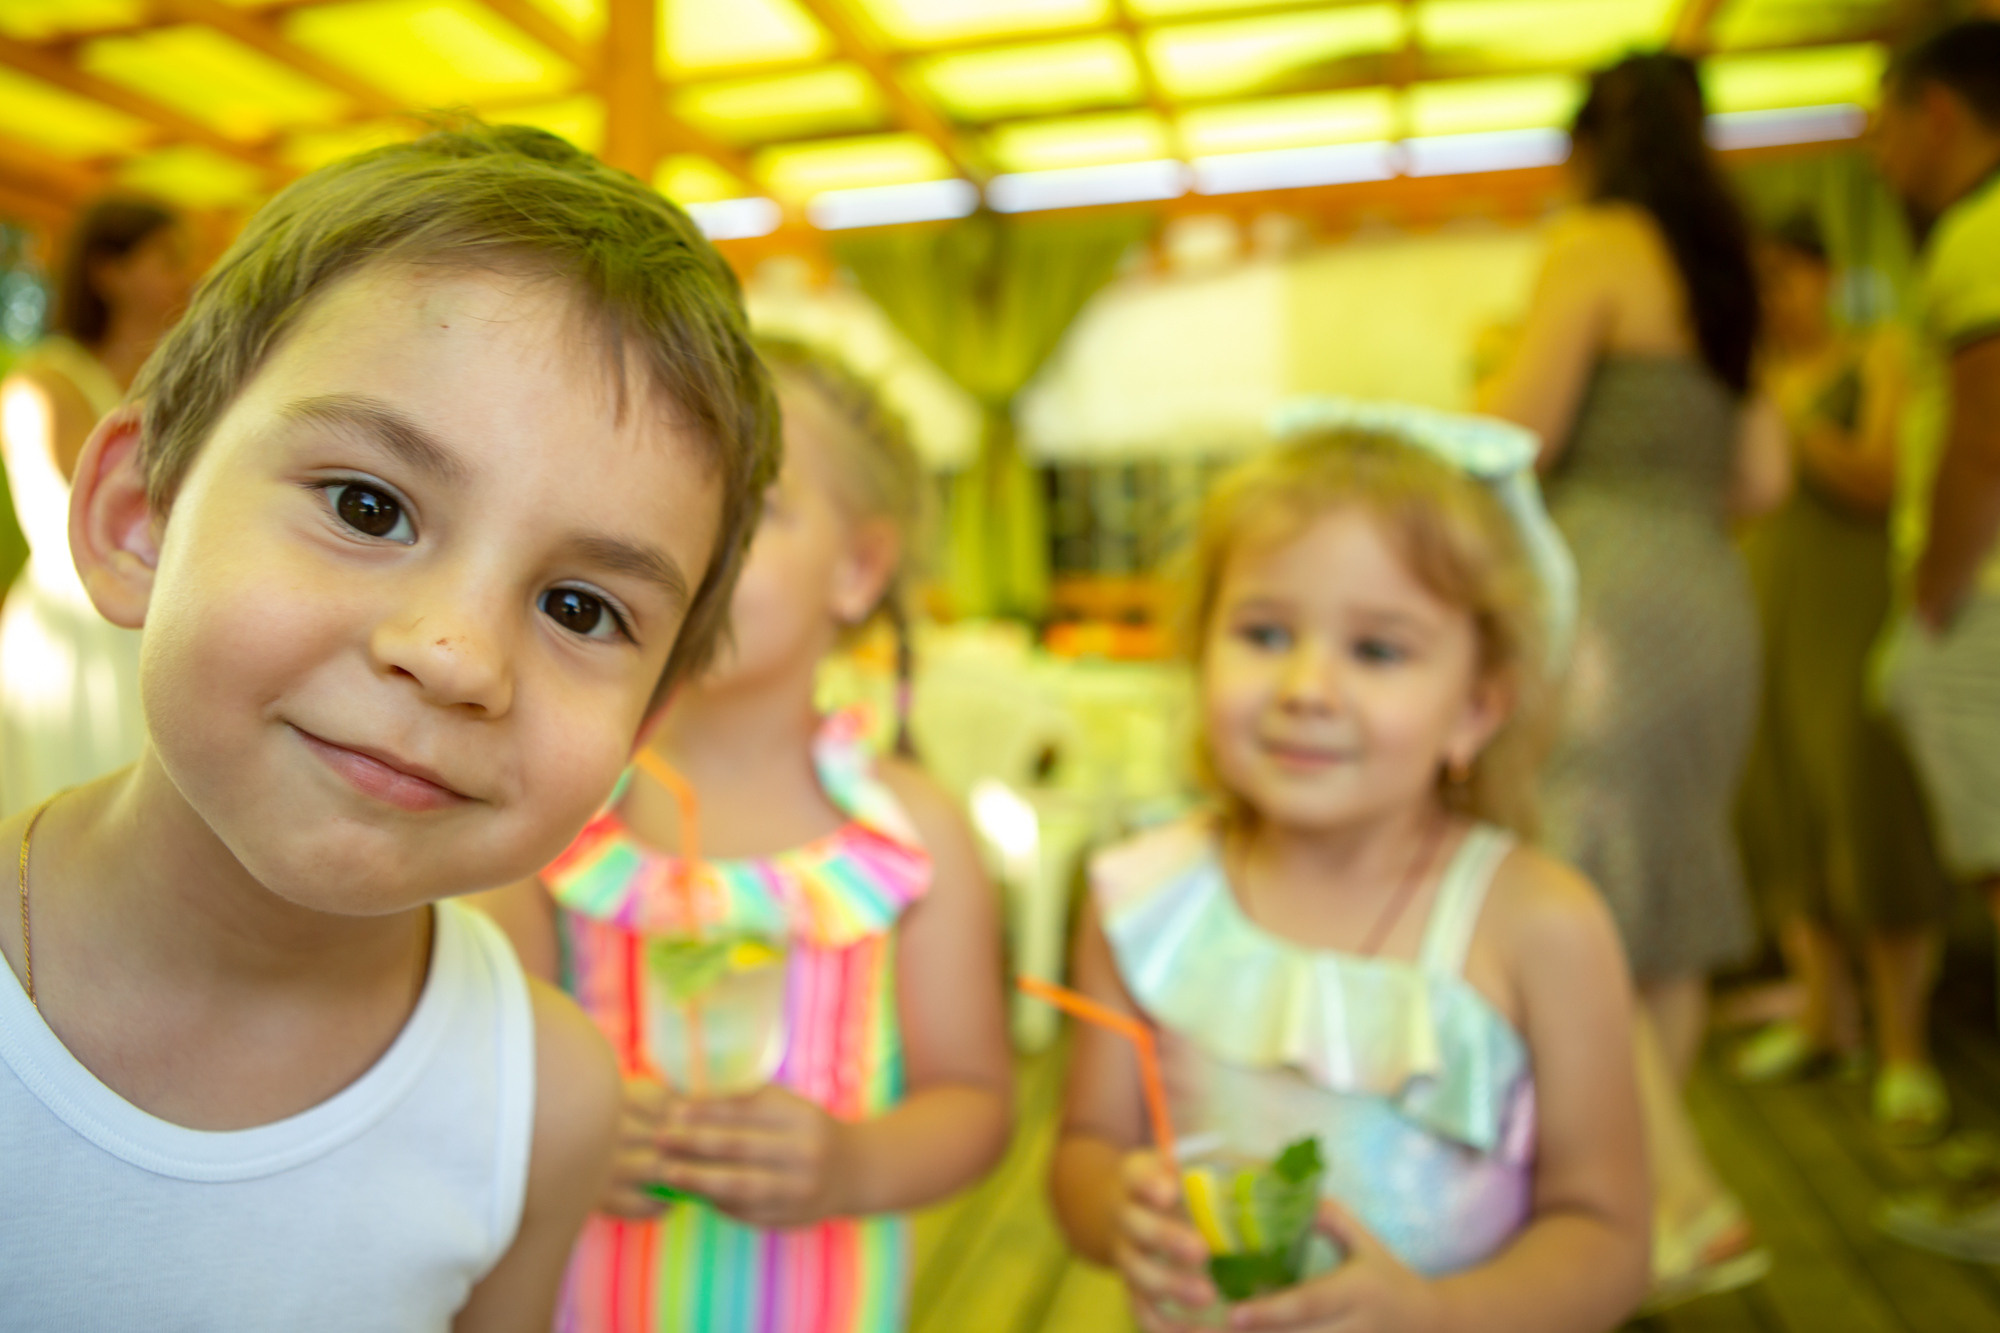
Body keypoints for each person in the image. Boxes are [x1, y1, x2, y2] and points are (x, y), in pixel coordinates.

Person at [0, 122, 781, 1329]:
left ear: (648, 720)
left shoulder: (549, 1102)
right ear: (135, 517)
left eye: (580, 607)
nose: (456, 655)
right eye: (368, 507)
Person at [1049, 410, 1649, 1333]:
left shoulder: (1540, 924)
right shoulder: (1145, 902)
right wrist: (1115, 1210)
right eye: (1263, 633)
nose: (1307, 689)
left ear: (1477, 707)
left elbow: (1607, 1238)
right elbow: (1089, 1149)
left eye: (1376, 649)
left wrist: (1435, 1312)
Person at [474, 339, 1013, 1332]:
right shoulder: (554, 799)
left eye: (752, 510)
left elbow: (974, 1100)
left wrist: (851, 1163)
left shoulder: (907, 831)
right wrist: (561, 1123)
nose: (700, 543)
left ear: (857, 569)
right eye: (670, 496)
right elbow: (473, 1054)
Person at [1476, 50, 1789, 1305]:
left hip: (1602, 591)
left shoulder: (1594, 243)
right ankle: (1645, 1209)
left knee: (1576, 889)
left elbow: (1515, 432)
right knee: (1656, 910)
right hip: (1711, 597)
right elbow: (1758, 481)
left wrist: (1483, 369)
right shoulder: (1726, 280)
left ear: (1589, 147)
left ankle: (1687, 1198)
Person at [1732, 216, 1952, 1145]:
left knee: (1867, 809)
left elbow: (1881, 477)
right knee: (1780, 813)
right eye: (1759, 282)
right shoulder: (1739, 379)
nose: (1776, 298)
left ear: (1824, 275)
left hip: (1849, 607)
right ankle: (1827, 1018)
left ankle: (1906, 1048)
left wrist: (1786, 412)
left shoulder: (1882, 353)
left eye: (1787, 276)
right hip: (1758, 608)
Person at [1861, 19, 2000, 1261]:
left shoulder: (1976, 235)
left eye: (1882, 118)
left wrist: (1929, 604)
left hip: (1982, 602)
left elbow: (1981, 441)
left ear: (1937, 116)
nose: (1870, 147)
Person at [0, 196, 190, 815]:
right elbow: (71, 520)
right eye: (167, 258)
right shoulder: (45, 382)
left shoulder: (177, 389)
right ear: (108, 273)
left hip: (159, 627)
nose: (186, 275)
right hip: (74, 633)